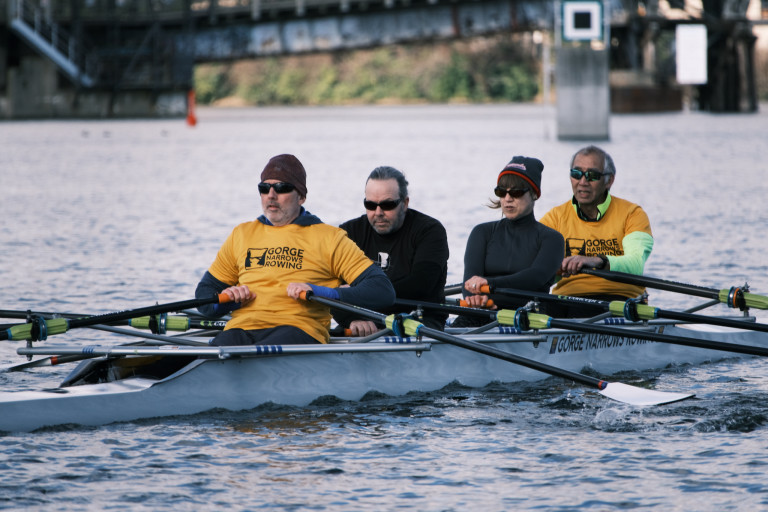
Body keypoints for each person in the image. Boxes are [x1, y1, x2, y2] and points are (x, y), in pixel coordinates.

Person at [195, 154, 396, 345]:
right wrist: (228, 301)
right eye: (264, 188)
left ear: (301, 197)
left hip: (299, 330)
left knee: (259, 351)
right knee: (223, 345)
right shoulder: (241, 234)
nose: (271, 195)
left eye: (282, 188)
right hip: (240, 329)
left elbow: (382, 290)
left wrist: (324, 293)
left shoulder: (329, 238)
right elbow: (204, 297)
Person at [540, 145, 654, 317]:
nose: (583, 182)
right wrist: (551, 270)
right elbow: (535, 267)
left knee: (581, 311)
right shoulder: (554, 218)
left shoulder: (632, 214)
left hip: (621, 300)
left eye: (592, 175)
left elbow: (636, 264)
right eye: (576, 174)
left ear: (609, 180)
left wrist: (596, 261)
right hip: (567, 299)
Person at [335, 166, 450, 334]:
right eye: (370, 205)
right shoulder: (349, 233)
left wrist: (357, 294)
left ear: (405, 203)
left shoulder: (430, 231)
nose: (378, 212)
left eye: (387, 205)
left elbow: (420, 285)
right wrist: (350, 319)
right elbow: (330, 287)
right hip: (361, 320)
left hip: (417, 320)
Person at [454, 156, 564, 326]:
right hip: (485, 312)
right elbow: (469, 283)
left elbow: (536, 278)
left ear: (534, 194)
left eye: (516, 192)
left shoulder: (552, 239)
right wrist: (473, 299)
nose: (508, 198)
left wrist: (491, 283)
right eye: (501, 192)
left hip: (529, 315)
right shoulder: (481, 232)